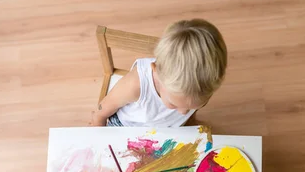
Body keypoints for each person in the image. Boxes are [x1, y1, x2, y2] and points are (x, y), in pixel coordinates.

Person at [91, 19, 227, 128]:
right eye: (173, 104)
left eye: (194, 107)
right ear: (156, 71)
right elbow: (100, 114)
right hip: (126, 127)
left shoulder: (202, 85)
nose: (183, 112)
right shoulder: (136, 84)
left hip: (167, 129)